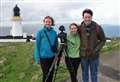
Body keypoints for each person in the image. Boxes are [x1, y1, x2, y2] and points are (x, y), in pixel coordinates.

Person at [78, 9, 106, 82]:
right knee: (84, 74)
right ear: (83, 17)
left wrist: (96, 50)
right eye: (85, 17)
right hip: (83, 56)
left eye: (89, 17)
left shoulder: (97, 27)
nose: (87, 19)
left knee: (94, 74)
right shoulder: (80, 28)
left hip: (94, 56)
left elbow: (103, 40)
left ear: (91, 17)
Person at [34, 16, 58, 82]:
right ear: (44, 23)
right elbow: (37, 46)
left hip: (52, 57)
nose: (48, 23)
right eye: (46, 21)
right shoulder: (40, 32)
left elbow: (56, 45)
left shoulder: (54, 33)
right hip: (43, 58)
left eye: (49, 21)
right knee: (46, 74)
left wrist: (57, 55)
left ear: (52, 23)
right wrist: (37, 58)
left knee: (51, 74)